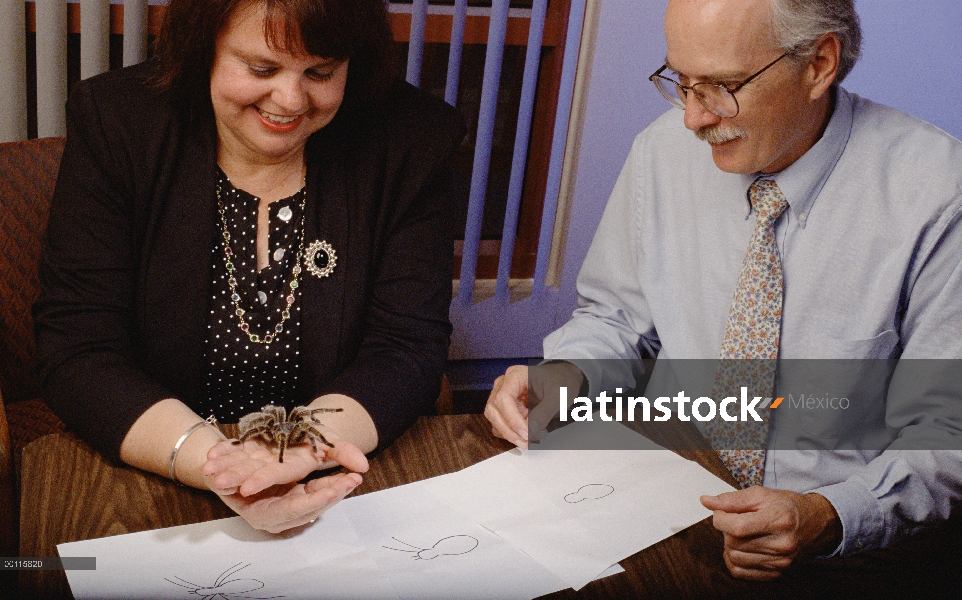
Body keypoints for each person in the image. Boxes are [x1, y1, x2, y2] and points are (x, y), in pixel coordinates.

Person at [485, 0, 962, 580]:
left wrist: (827, 515)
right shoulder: (661, 152)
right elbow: (614, 320)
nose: (693, 119)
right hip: (660, 501)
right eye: (681, 83)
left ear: (818, 64)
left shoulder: (940, 195)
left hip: (848, 548)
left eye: (723, 86)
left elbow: (945, 436)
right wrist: (564, 377)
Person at [34, 0, 465, 534]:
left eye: (321, 72)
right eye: (261, 69)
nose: (290, 99)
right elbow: (79, 347)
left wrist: (303, 444)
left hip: (337, 481)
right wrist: (217, 466)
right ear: (204, 47)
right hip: (150, 473)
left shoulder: (411, 140)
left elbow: (405, 347)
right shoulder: (119, 120)